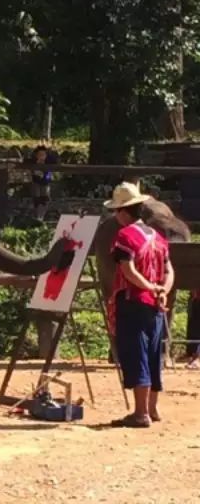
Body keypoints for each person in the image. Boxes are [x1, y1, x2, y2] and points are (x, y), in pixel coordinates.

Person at [104, 182, 175, 428]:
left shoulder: (124, 236)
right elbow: (169, 270)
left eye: (116, 211)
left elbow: (128, 269)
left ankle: (140, 412)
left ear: (125, 211)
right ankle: (152, 409)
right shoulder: (158, 237)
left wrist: (147, 287)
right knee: (154, 353)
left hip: (133, 301)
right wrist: (162, 290)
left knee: (137, 354)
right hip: (155, 304)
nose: (115, 215)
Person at [31, 145, 56, 221]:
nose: (41, 156)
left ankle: (42, 216)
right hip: (36, 183)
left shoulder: (49, 162)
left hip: (45, 182)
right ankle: (37, 216)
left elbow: (55, 162)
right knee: (37, 198)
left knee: (45, 198)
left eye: (43, 155)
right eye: (39, 155)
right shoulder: (33, 162)